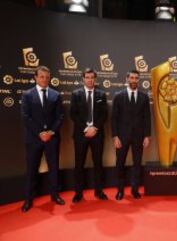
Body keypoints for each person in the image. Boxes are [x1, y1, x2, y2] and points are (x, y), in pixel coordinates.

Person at [21, 65, 65, 212]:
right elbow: (26, 117)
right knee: (32, 169)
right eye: (41, 76)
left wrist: (51, 132)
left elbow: (60, 116)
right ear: (35, 77)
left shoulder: (55, 95)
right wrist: (40, 132)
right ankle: (28, 199)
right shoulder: (27, 95)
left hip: (52, 138)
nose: (45, 79)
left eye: (47, 77)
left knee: (54, 168)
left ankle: (55, 195)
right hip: (34, 139)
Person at [70, 68, 108, 203]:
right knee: (79, 165)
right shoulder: (76, 94)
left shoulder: (101, 94)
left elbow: (104, 114)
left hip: (97, 134)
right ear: (83, 79)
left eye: (92, 77)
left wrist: (94, 128)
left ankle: (99, 191)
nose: (90, 80)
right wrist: (86, 128)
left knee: (98, 164)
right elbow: (73, 114)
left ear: (95, 79)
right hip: (81, 134)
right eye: (87, 77)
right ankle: (78, 193)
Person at [112, 70, 151, 200]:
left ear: (138, 80)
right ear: (127, 79)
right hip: (122, 137)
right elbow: (114, 118)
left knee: (137, 163)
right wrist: (115, 136)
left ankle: (134, 189)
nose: (134, 80)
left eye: (136, 78)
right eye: (132, 78)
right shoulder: (118, 96)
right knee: (120, 163)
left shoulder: (144, 97)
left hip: (139, 137)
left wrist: (147, 136)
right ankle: (120, 190)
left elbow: (147, 118)